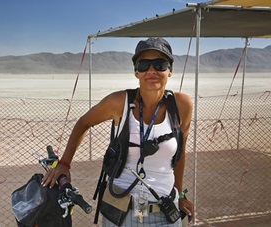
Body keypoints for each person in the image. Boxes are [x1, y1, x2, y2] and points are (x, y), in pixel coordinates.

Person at [42, 37, 194, 226]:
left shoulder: (182, 106)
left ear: (170, 70)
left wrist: (179, 195)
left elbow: (178, 157)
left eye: (160, 64)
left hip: (164, 213)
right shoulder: (119, 103)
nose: (151, 71)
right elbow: (83, 123)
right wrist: (64, 163)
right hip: (121, 213)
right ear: (136, 72)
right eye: (144, 64)